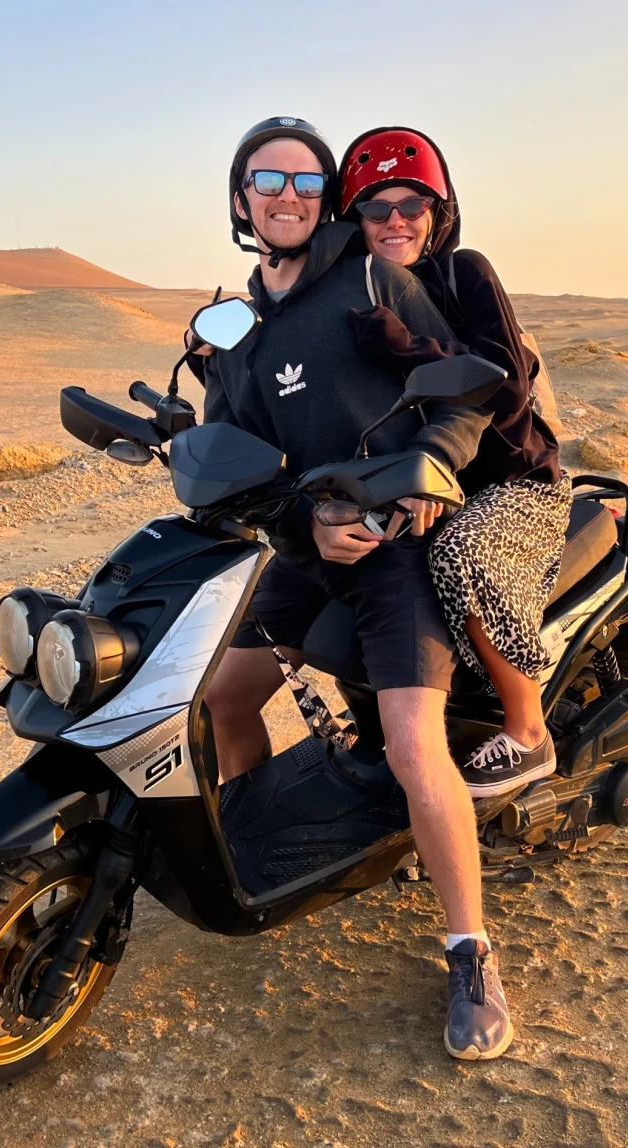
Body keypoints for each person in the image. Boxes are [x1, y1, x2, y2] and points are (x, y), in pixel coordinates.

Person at [202, 116, 514, 1060]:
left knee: (419, 750)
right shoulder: (241, 329)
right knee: (224, 696)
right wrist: (295, 525)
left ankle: (473, 955)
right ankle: (258, 837)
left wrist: (423, 477)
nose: (288, 195)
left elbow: (459, 394)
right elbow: (236, 457)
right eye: (268, 178)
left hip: (400, 546)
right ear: (241, 199)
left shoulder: (371, 278)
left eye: (305, 180)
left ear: (323, 196)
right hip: (306, 549)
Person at [339, 127, 571, 799]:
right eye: (376, 209)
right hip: (432, 481)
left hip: (516, 481)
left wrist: (406, 346)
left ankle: (529, 734)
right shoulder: (362, 290)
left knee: (458, 554)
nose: (395, 221)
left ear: (439, 213)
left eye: (412, 205)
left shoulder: (465, 271)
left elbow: (505, 386)